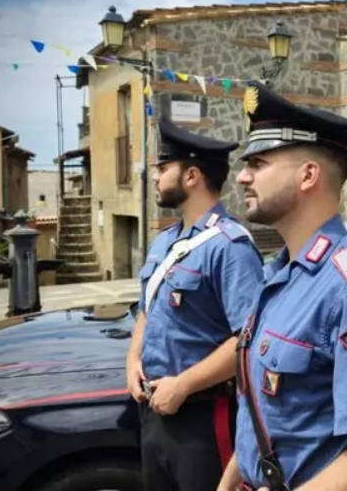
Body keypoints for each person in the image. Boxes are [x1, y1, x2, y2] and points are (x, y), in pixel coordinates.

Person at [218, 80, 347, 491]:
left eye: (258, 163)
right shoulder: (280, 274)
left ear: (308, 175)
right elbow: (263, 418)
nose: (242, 177)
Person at [127, 117, 264, 491]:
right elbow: (148, 309)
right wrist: (133, 360)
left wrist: (184, 385)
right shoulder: (165, 241)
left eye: (163, 168)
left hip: (204, 417)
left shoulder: (230, 247)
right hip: (155, 413)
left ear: (191, 177)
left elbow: (248, 341)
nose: (155, 177)